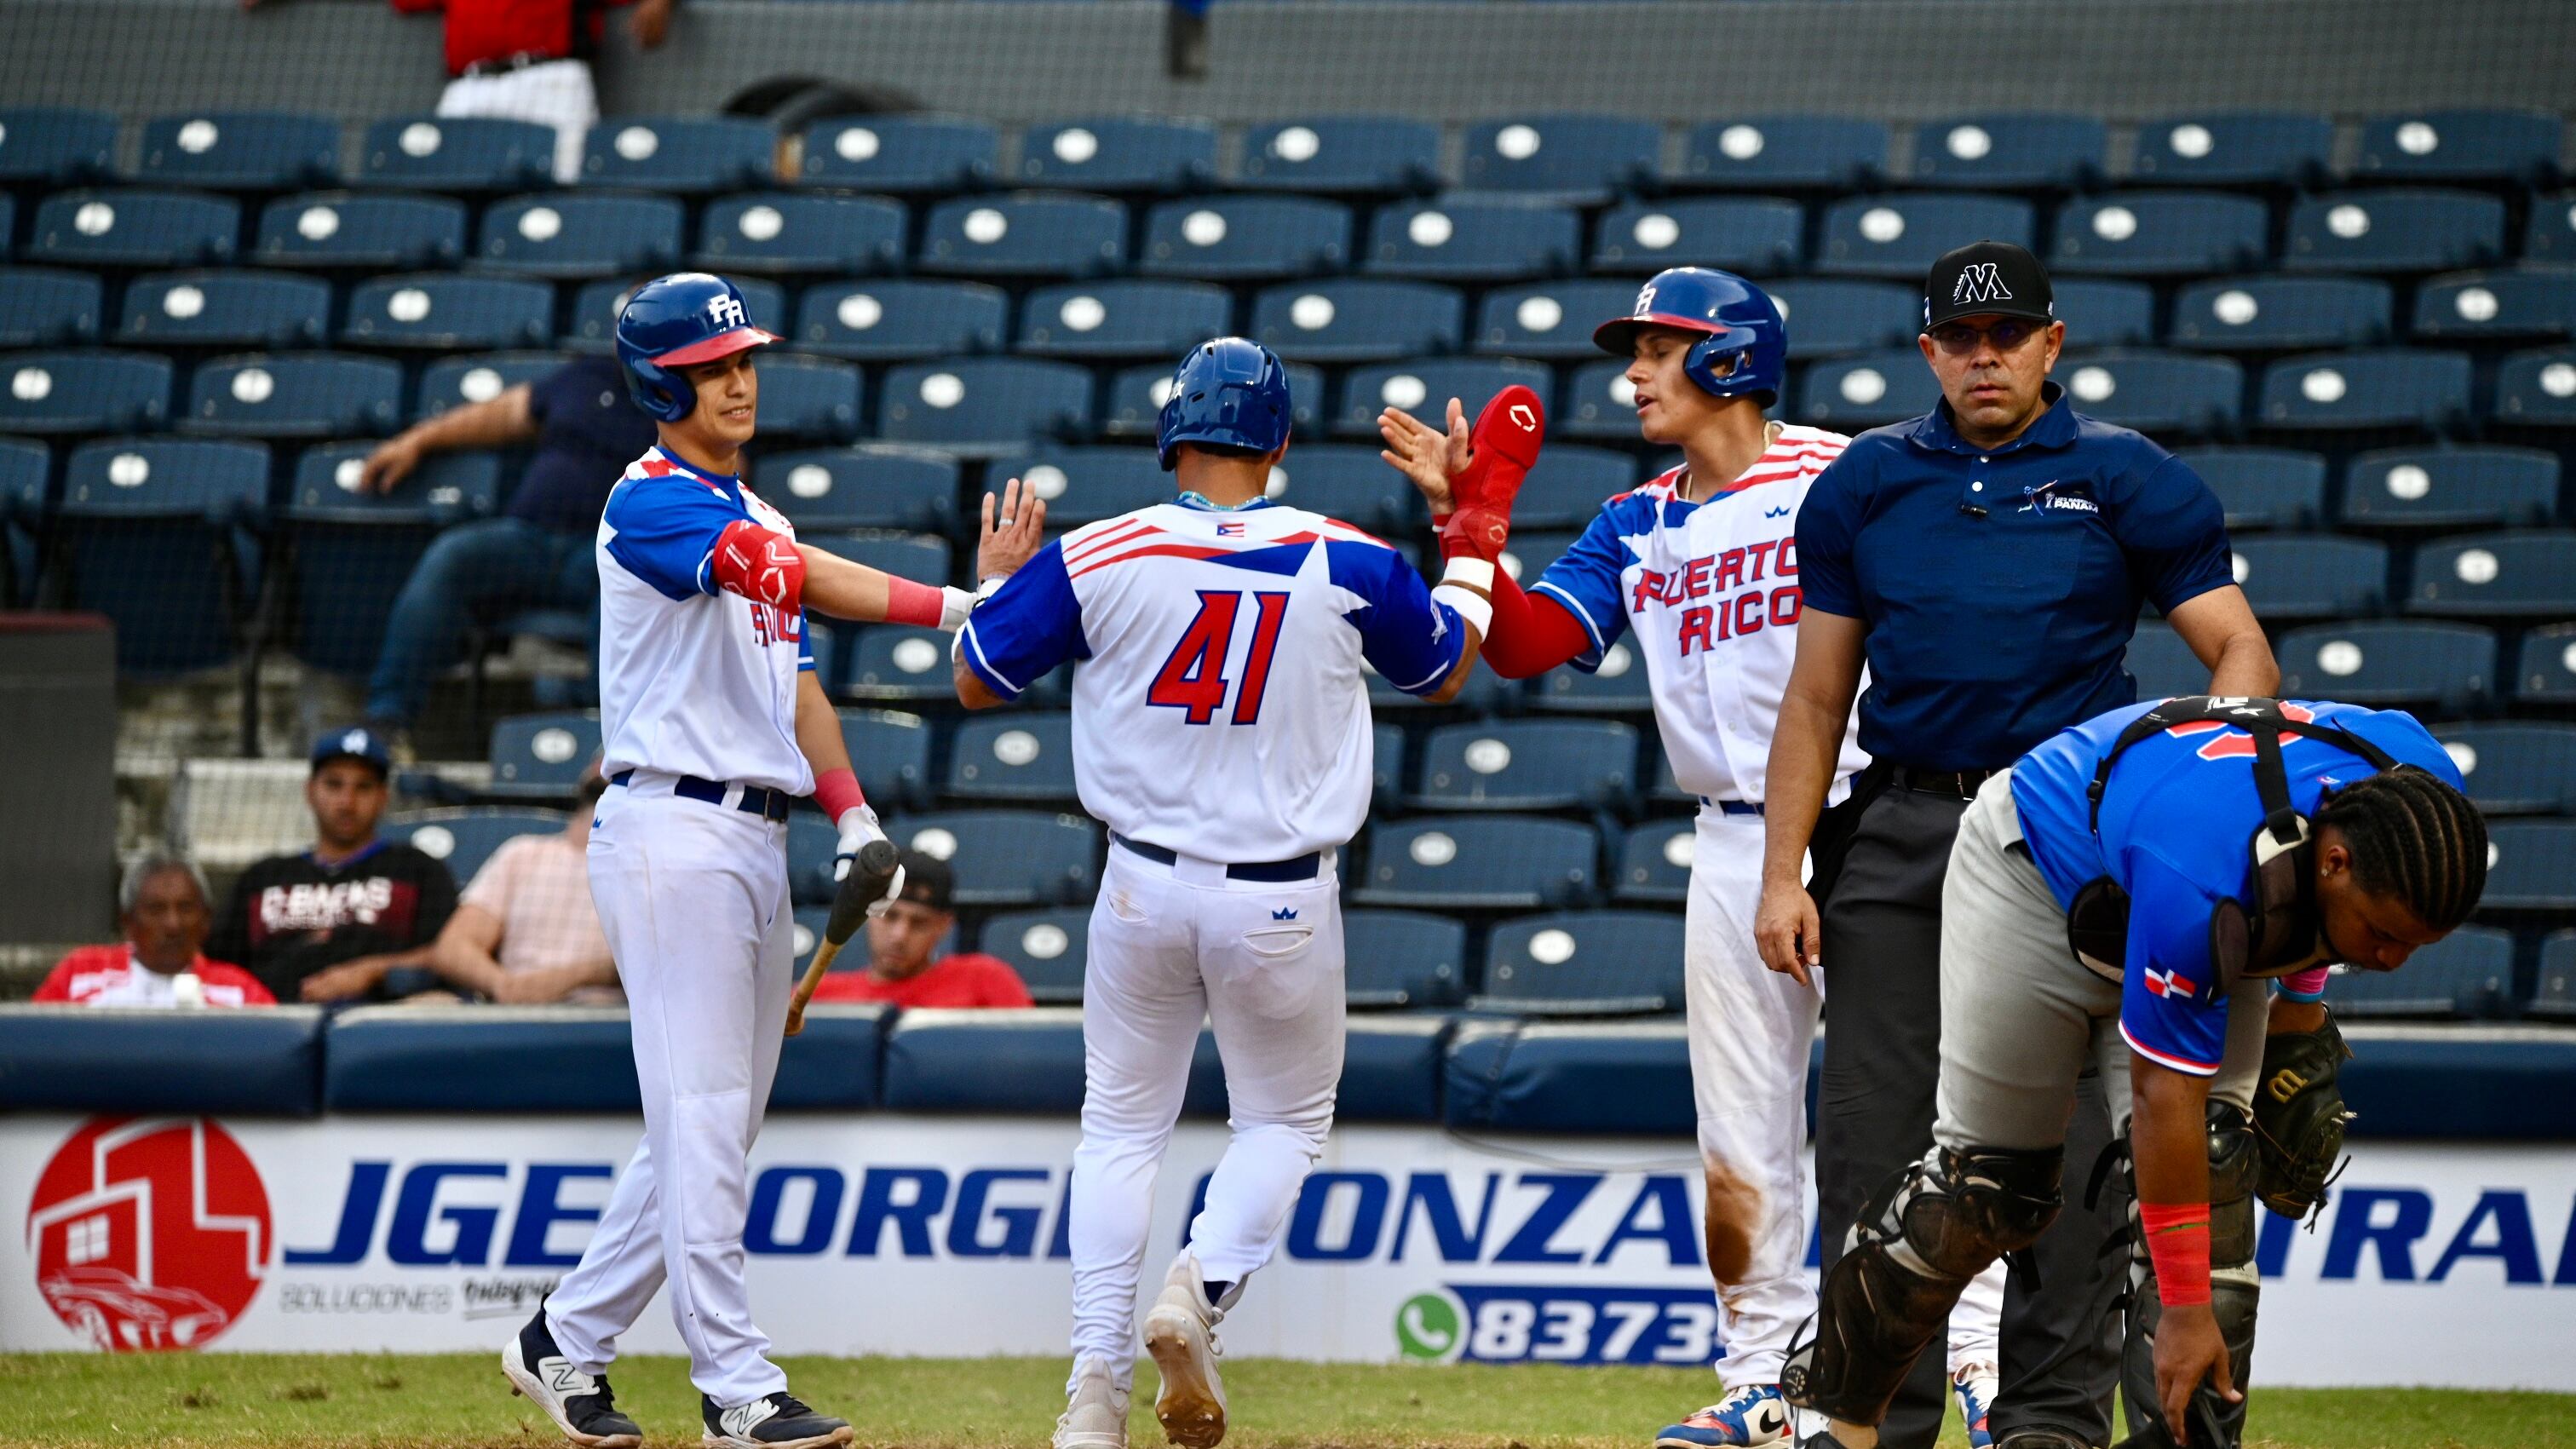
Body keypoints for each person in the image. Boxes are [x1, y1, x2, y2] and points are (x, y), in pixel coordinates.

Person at [1378, 267, 2004, 1449]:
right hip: (1728, 844)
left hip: (1874, 823)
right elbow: (1526, 644)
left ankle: (1977, 1354)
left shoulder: (1841, 472)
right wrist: (1470, 526)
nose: (1632, 373)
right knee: (1742, 1129)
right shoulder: (1637, 517)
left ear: (1729, 359)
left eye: (1657, 349)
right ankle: (1761, 1376)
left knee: (1926, 1113)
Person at [1754, 241, 2278, 1449]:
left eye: (2007, 337)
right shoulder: (1867, 484)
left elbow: (2240, 653)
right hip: (1905, 832)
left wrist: (2200, 805)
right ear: (1928, 349)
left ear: (2053, 342)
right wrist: (1783, 872)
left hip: (2071, 842)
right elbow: (1816, 697)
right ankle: (1868, 1423)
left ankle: (2050, 1426)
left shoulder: (2127, 478)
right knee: (1876, 1148)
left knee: (2079, 1155)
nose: (1983, 358)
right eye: (1958, 339)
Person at [953, 337, 1492, 1449]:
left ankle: (1090, 1401)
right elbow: (1445, 667)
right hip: (1282, 896)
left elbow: (975, 675)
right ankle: (1197, 1291)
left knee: (1117, 1131)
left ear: (1172, 436)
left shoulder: (1100, 550)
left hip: (1142, 885)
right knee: (1285, 1122)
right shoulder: (1349, 556)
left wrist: (1003, 582)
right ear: (1282, 443)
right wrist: (1469, 536)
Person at [501, 272, 1003, 1449]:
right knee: (707, 1119)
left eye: (741, 360)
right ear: (661, 382)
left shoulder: (760, 515)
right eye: (712, 365)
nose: (737, 379)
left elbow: (803, 687)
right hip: (672, 829)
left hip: (755, 833)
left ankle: (561, 1340)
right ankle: (737, 1387)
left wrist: (855, 815)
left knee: (705, 1126)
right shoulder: (650, 500)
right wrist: (961, 608)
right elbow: (815, 581)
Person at [1785, 697, 2487, 1449]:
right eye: (2382, 936)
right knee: (1987, 1186)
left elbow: (2321, 919)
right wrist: (2184, 1312)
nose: (2389, 961)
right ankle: (1844, 1418)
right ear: (2335, 860)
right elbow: (2164, 1099)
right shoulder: (2205, 873)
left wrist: (2301, 1008)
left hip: (2212, 875)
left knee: (2218, 1172)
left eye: (2415, 944)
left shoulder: (2423, 806)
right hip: (2040, 870)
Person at [357, 351, 657, 745]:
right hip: (527, 540)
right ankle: (387, 719)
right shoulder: (584, 376)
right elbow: (499, 414)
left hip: (606, 555)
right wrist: (416, 441)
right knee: (453, 555)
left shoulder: (688, 401)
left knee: (633, 577)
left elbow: (723, 474)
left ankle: (606, 735)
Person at [208, 727, 458, 1004]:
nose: (347, 802)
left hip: (380, 1023)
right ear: (310, 791)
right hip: (270, 1024)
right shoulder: (263, 877)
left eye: (363, 787)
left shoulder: (417, 870)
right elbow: (212, 963)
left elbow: (451, 952)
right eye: (334, 785)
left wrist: (371, 971)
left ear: (383, 797)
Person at [428, 768, 623, 1004]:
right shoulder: (523, 853)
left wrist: (573, 977)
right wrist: (503, 985)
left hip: (604, 1021)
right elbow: (453, 947)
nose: (609, 766)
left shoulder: (655, 870)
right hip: (515, 1016)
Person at [37, 856, 273, 1008]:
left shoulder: (240, 993)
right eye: (156, 909)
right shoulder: (80, 973)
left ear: (206, 920)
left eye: (186, 909)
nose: (173, 924)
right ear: (127, 921)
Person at [806, 850, 1034, 1008]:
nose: (899, 936)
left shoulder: (985, 980)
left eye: (919, 923)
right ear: (868, 912)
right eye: (889, 916)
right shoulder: (815, 996)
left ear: (944, 925)